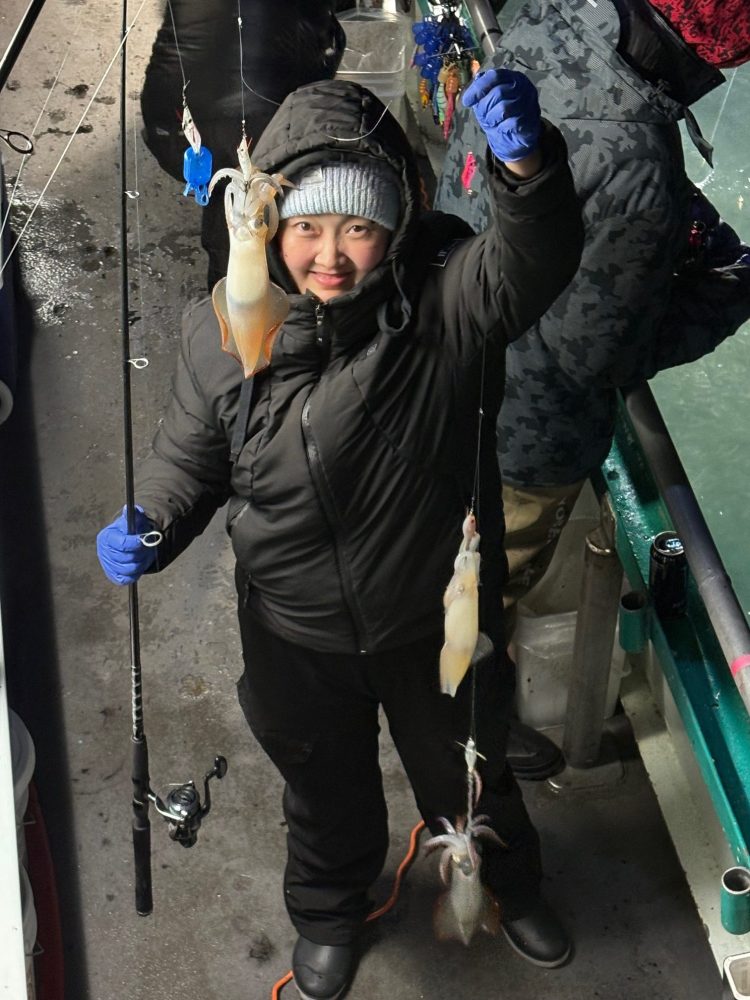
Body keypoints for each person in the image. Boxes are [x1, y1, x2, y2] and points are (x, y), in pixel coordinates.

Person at [97, 72, 583, 999]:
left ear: (395, 231)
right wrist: (151, 518)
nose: (330, 254)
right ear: (268, 228)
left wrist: (529, 166)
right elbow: (190, 459)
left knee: (472, 776)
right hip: (291, 630)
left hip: (433, 621)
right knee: (321, 793)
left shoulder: (446, 309)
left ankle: (511, 883)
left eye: (357, 227)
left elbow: (533, 258)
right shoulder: (219, 336)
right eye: (307, 227)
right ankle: (328, 909)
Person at [435, 0, 750, 693]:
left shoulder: (546, 16)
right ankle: (464, 723)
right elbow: (601, 358)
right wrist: (731, 288)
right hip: (521, 441)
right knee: (480, 596)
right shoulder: (639, 166)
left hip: (442, 345)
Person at [140, 0, 348, 291]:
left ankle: (238, 308)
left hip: (234, 113)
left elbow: (173, 58)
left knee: (240, 227)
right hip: (274, 111)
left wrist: (163, 128)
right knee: (263, 219)